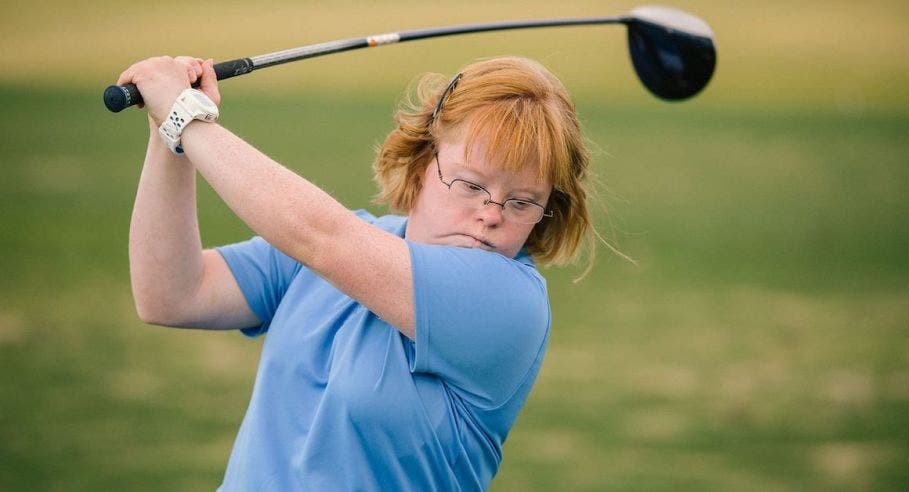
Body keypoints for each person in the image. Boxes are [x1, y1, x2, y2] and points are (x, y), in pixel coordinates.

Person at [120, 53, 593, 490]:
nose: (492, 214)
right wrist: (167, 130)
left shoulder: (506, 300)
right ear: (425, 162)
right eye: (471, 185)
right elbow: (171, 294)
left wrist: (186, 116)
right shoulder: (353, 241)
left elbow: (321, 237)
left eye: (523, 201)